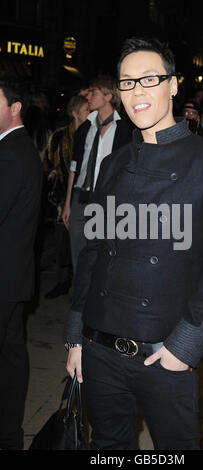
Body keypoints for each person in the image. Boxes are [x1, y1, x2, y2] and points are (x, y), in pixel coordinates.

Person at [63, 36, 203, 450]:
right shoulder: (113, 163)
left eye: (149, 79)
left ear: (173, 85)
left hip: (163, 353)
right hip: (99, 346)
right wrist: (76, 336)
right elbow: (92, 251)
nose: (137, 91)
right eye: (127, 82)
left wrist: (184, 347)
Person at [0, 72, 42, 449]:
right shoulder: (20, 148)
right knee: (12, 358)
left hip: (3, 278)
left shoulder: (11, 153)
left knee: (10, 360)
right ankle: (9, 434)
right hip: (13, 277)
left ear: (14, 108)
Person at [62, 74, 133, 272]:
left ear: (108, 97)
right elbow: (74, 166)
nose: (89, 97)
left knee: (101, 255)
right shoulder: (85, 128)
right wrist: (68, 203)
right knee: (78, 255)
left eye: (94, 92)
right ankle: (80, 299)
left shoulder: (124, 131)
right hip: (80, 197)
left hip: (106, 201)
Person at [43, 95, 90, 299]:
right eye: (86, 110)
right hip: (61, 197)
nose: (90, 113)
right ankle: (62, 281)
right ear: (75, 113)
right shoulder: (60, 136)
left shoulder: (92, 133)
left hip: (81, 197)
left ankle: (76, 283)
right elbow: (49, 165)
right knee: (61, 242)